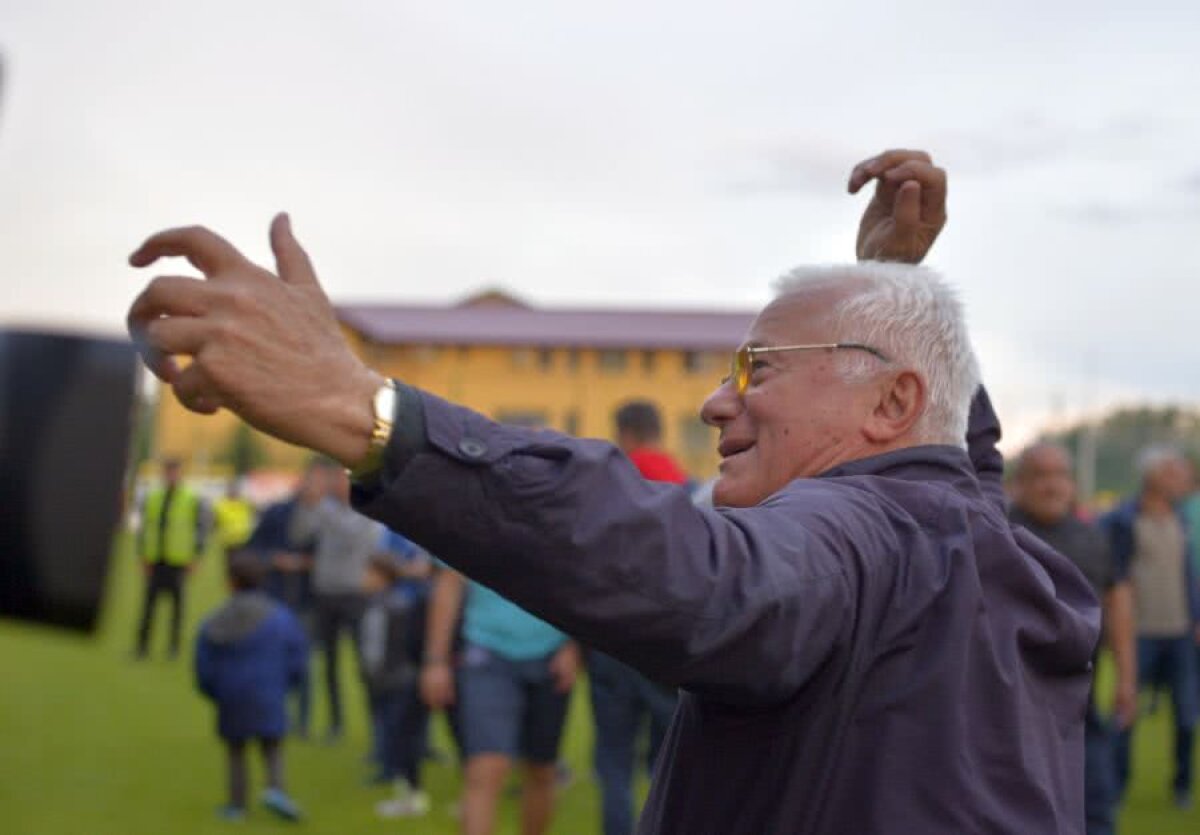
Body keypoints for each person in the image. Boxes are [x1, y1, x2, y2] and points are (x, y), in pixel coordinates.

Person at [126, 148, 1100, 834]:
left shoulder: (854, 537)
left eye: (758, 367)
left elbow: (705, 571)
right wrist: (890, 287)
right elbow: (949, 455)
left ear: (890, 401)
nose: (717, 401)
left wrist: (367, 411)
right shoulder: (971, 532)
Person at [1009, 442, 1136, 835]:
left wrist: (1127, 678)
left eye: (1060, 475)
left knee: (1095, 812)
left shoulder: (1093, 538)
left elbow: (1117, 602)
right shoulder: (997, 535)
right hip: (1012, 712)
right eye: (1040, 476)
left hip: (1083, 708)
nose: (1052, 485)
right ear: (1019, 483)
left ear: (1073, 483)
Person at [421, 562, 581, 835]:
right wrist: (436, 661)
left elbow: (579, 580)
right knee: (485, 769)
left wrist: (573, 644)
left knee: (542, 770)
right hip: (486, 652)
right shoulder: (474, 532)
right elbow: (449, 583)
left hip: (550, 656)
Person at [589, 400, 684, 835]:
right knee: (672, 757)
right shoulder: (684, 483)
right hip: (668, 639)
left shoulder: (612, 483)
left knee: (614, 758)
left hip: (613, 637)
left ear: (625, 433)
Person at [1101, 445, 1200, 809]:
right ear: (1153, 476)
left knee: (1187, 715)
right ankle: (1116, 787)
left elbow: (1189, 576)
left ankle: (1182, 786)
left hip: (1181, 634)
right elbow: (1111, 580)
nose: (1183, 478)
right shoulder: (1121, 520)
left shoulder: (1183, 519)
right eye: (1174, 472)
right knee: (1126, 711)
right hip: (1137, 635)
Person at [195, 550, 308, 822]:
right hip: (269, 692)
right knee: (272, 745)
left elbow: (204, 665)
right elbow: (298, 656)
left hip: (231, 694)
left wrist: (215, 691)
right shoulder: (281, 617)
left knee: (236, 751)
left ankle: (237, 805)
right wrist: (286, 685)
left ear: (230, 582)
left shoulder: (215, 621)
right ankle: (276, 790)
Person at [289, 461, 384, 742]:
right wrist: (305, 505)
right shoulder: (323, 509)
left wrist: (318, 507)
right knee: (328, 665)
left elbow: (352, 536)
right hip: (325, 594)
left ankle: (377, 728)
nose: (335, 485)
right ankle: (335, 724)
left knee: (364, 664)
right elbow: (298, 535)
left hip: (354, 595)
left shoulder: (365, 510)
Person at [245, 462, 321, 737]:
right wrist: (274, 559)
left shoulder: (327, 518)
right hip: (275, 596)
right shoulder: (277, 513)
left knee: (303, 662)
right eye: (311, 481)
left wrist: (307, 564)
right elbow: (253, 548)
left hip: (308, 600)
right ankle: (273, 715)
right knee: (271, 659)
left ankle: (303, 721)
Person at [360, 539, 434, 818]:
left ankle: (406, 787)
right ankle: (391, 771)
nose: (363, 579)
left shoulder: (394, 606)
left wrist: (381, 672)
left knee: (401, 734)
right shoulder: (383, 604)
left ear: (382, 576)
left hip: (395, 680)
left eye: (368, 573)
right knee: (391, 730)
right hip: (386, 679)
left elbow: (388, 646)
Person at [134, 457, 208, 660]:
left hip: (178, 561)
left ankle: (173, 648)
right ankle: (142, 647)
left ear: (180, 473)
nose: (170, 476)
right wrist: (142, 555)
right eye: (168, 472)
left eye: (174, 472)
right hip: (155, 558)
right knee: (148, 606)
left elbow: (200, 529)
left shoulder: (191, 498)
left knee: (177, 608)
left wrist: (196, 556)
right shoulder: (153, 497)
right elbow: (144, 528)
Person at [212, 480, 257, 556]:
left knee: (245, 560)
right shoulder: (220, 504)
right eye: (231, 489)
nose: (233, 491)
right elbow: (215, 522)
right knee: (231, 561)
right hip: (228, 541)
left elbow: (254, 514)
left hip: (244, 539)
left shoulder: (245, 503)